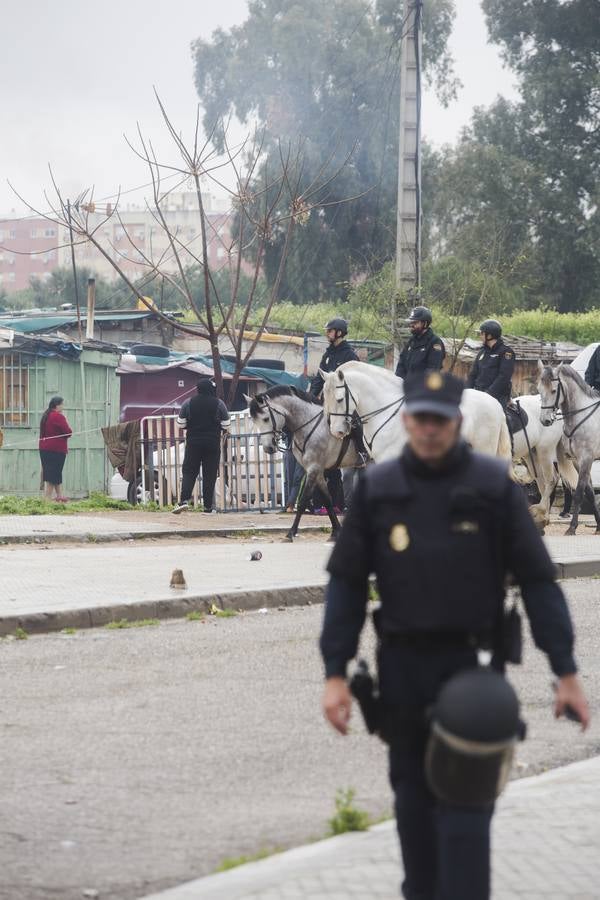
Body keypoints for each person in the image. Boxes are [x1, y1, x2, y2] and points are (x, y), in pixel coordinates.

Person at [320, 370, 589, 900]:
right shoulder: (379, 489)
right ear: (407, 418)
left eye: (440, 420)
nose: (429, 429)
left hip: (472, 675)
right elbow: (347, 585)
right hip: (400, 675)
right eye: (420, 418)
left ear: (456, 421)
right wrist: (334, 674)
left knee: (466, 825)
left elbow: (538, 582)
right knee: (415, 823)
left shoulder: (492, 490)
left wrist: (566, 671)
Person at [172, 378, 230, 514]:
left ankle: (184, 501)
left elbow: (180, 423)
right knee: (209, 474)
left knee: (189, 472)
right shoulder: (219, 403)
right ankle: (208, 506)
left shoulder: (188, 402)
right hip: (212, 444)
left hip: (193, 443)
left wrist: (190, 426)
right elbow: (226, 425)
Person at [467, 319, 515, 409]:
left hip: (497, 396)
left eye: (481, 333)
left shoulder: (506, 352)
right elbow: (473, 374)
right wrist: (466, 392)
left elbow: (504, 377)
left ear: (489, 336)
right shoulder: (482, 352)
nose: (479, 336)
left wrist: (488, 394)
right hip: (479, 395)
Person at [395, 306, 445, 379]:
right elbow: (401, 363)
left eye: (415, 322)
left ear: (425, 323)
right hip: (407, 387)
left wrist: (415, 385)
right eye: (411, 322)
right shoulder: (412, 341)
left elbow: (432, 370)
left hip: (423, 388)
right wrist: (399, 381)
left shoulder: (435, 343)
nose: (411, 325)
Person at [39, 396, 72, 501]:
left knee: (53, 473)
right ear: (57, 405)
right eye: (62, 404)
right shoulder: (58, 416)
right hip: (56, 450)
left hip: (44, 449)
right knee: (53, 475)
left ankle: (59, 496)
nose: (63, 406)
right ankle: (47, 499)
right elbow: (68, 432)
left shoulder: (46, 415)